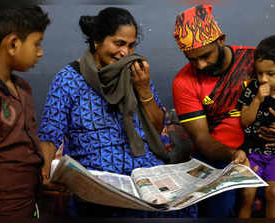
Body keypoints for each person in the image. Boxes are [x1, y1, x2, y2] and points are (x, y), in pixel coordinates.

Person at [39, 7, 197, 218]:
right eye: (119, 43)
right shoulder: (68, 79)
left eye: (131, 45)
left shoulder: (136, 72)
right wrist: (45, 173)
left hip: (144, 173)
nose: (125, 53)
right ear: (97, 41)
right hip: (98, 181)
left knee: (184, 207)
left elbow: (157, 128)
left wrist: (144, 89)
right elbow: (50, 133)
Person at [172, 4, 275, 217]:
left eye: (205, 55)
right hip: (222, 156)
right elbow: (202, 139)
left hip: (266, 150)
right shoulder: (183, 82)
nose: (200, 65)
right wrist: (233, 154)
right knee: (219, 210)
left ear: (221, 40)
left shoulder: (256, 62)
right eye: (192, 59)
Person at [237, 35, 275, 218]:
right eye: (259, 73)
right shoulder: (252, 89)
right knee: (247, 192)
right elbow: (245, 121)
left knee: (274, 192)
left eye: (270, 74)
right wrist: (257, 100)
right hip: (254, 151)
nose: (263, 79)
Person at [0, 3, 50, 219]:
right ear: (13, 44)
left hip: (29, 201)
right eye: (36, 44)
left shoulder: (23, 88)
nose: (40, 52)